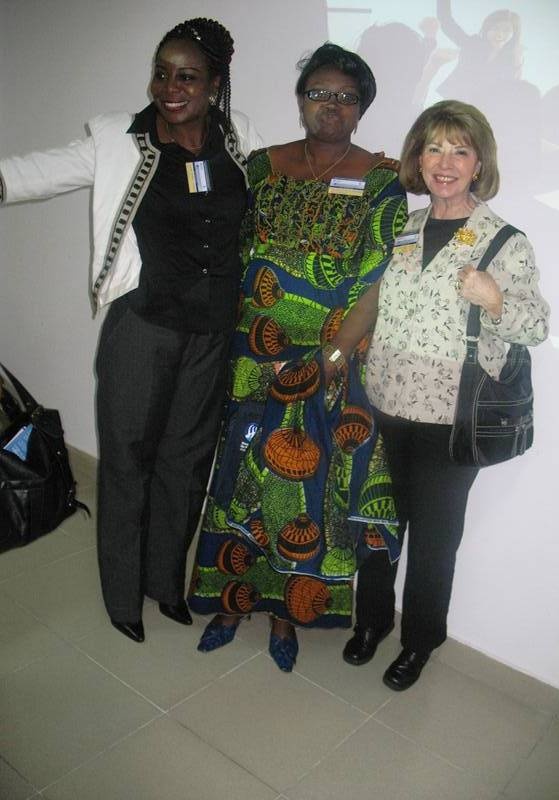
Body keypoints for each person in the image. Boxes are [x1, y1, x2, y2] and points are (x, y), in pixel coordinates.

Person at [0, 18, 262, 643]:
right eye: (162, 74)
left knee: (187, 462)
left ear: (215, 83)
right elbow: (38, 171)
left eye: (187, 77)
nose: (170, 88)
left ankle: (163, 583)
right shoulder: (121, 139)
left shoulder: (239, 139)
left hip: (212, 332)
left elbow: (275, 196)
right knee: (127, 460)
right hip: (143, 327)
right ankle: (122, 595)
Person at [188, 43, 407, 671]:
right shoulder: (261, 168)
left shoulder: (382, 183)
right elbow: (230, 249)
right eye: (319, 93)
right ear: (301, 99)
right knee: (239, 477)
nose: (331, 106)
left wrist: (333, 354)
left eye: (346, 97)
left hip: (326, 364)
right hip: (252, 356)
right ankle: (230, 600)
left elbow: (377, 279)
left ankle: (286, 612)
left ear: (361, 109)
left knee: (302, 493)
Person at [324, 99, 549, 690]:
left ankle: (419, 641)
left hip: (450, 418)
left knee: (433, 540)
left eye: (459, 151)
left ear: (479, 163)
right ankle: (371, 623)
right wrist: (337, 355)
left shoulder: (505, 241)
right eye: (433, 149)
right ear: (418, 159)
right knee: (376, 523)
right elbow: (376, 302)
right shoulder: (406, 229)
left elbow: (536, 326)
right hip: (383, 404)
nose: (444, 163)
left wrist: (494, 299)